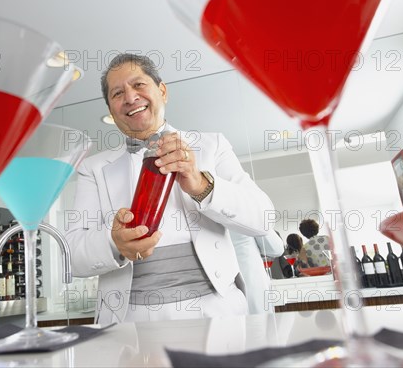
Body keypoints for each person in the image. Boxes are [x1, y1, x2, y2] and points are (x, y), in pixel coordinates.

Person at [65, 53, 276, 325]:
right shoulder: (92, 169)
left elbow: (264, 218)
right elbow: (69, 255)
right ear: (111, 111)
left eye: (139, 85)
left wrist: (202, 185)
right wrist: (113, 243)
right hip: (129, 324)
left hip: (218, 315)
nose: (130, 97)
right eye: (118, 93)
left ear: (162, 91)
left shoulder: (213, 146)